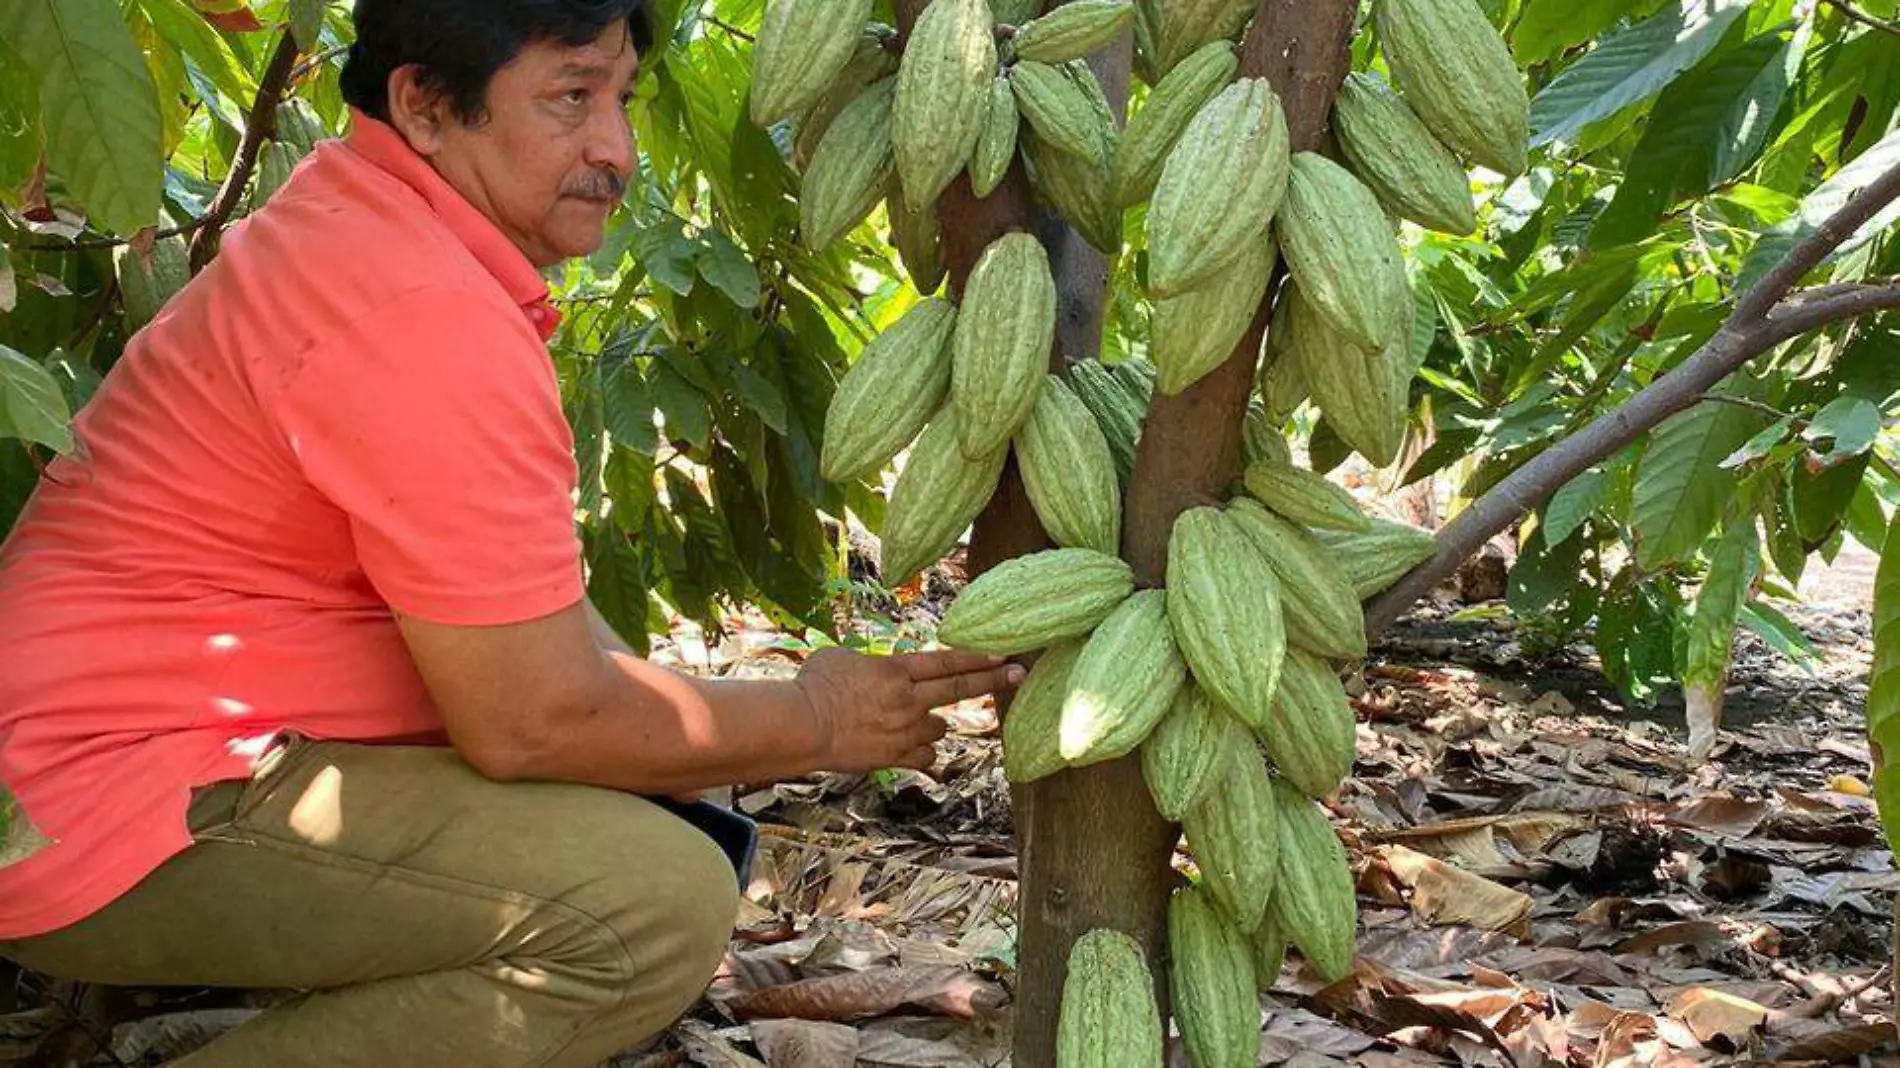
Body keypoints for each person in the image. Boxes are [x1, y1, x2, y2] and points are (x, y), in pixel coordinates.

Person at [0, 2, 1024, 1064]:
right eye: (570, 98)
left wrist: (706, 737)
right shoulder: (415, 308)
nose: (615, 149)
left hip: (105, 765)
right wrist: (813, 717)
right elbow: (529, 722)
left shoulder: (365, 224)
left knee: (666, 797)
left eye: (621, 100)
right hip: (93, 803)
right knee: (645, 909)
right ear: (427, 106)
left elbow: (527, 620)